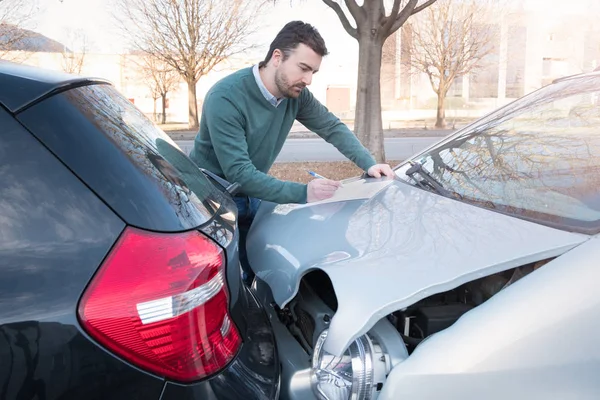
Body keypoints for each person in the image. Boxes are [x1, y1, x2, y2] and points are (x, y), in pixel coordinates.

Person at [189, 20, 394, 281]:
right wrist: (304, 192)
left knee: (260, 265)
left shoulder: (295, 95)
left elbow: (331, 126)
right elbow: (239, 172)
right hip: (213, 198)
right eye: (303, 68)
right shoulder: (226, 97)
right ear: (277, 57)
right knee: (226, 279)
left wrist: (369, 163)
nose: (307, 80)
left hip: (254, 192)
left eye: (313, 73)